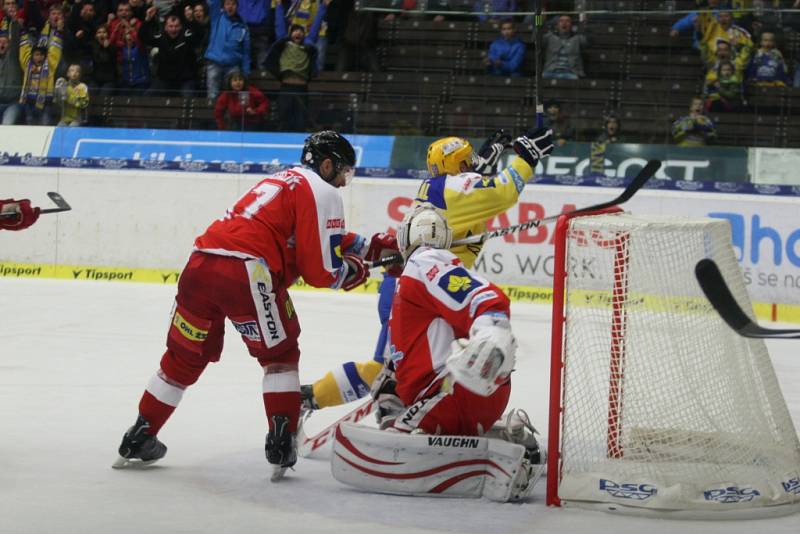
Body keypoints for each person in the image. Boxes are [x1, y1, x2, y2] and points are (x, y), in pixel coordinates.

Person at [113, 131, 401, 481]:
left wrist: (373, 246)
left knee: (182, 358)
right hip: (246, 273)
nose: (343, 182)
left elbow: (323, 238)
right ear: (326, 164)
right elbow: (321, 271)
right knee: (279, 356)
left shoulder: (281, 181)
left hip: (200, 265)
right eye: (343, 172)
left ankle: (140, 433)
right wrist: (355, 271)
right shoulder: (323, 190)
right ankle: (281, 444)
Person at [299, 128, 555, 424]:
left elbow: (474, 180)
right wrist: (527, 158)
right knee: (388, 369)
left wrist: (488, 155)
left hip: (426, 288)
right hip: (420, 290)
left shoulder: (441, 186)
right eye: (466, 162)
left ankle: (423, 413)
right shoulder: (458, 187)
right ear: (459, 167)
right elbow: (503, 190)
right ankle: (309, 397)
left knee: (411, 367)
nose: (472, 166)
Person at [263, 22, 319, 131]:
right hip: (286, 88)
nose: (298, 33)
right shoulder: (284, 45)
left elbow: (315, 28)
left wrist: (323, 7)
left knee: (301, 120)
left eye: (300, 31)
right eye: (295, 30)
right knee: (283, 118)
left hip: (302, 89)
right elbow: (279, 25)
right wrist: (278, 5)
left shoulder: (308, 47)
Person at [140, 7, 201, 97]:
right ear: (165, 27)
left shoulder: (187, 36)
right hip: (164, 79)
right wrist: (148, 19)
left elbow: (200, 35)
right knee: (147, 97)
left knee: (188, 97)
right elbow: (143, 37)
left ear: (181, 26)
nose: (173, 29)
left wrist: (191, 20)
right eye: (171, 26)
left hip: (185, 80)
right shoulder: (160, 37)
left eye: (176, 26)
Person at [204, 0, 250, 101]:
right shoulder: (217, 17)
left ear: (237, 6)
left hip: (233, 66)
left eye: (233, 4)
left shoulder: (243, 26)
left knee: (233, 99)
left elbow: (246, 52)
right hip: (214, 63)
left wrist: (246, 73)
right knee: (212, 97)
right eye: (227, 4)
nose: (230, 7)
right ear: (223, 6)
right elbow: (212, 2)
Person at [19, 28, 62, 125]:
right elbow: (24, 50)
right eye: (37, 54)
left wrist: (58, 34)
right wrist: (23, 33)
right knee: (30, 128)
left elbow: (55, 51)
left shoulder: (50, 65)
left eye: (42, 55)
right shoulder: (27, 65)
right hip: (29, 103)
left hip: (46, 104)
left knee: (44, 127)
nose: (39, 57)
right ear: (32, 56)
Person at [542, 14, 587, 80]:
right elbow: (536, 36)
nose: (564, 23)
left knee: (574, 78)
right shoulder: (549, 37)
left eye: (567, 21)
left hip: (570, 73)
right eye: (561, 21)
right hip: (550, 72)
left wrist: (584, 25)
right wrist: (539, 17)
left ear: (571, 25)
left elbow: (588, 41)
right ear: (557, 25)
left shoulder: (578, 38)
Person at [0, 17, 23, 124]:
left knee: (7, 125)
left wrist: (14, 22)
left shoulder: (13, 56)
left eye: (5, 42)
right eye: (0, 42)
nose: (2, 45)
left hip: (13, 103)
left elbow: (14, 40)